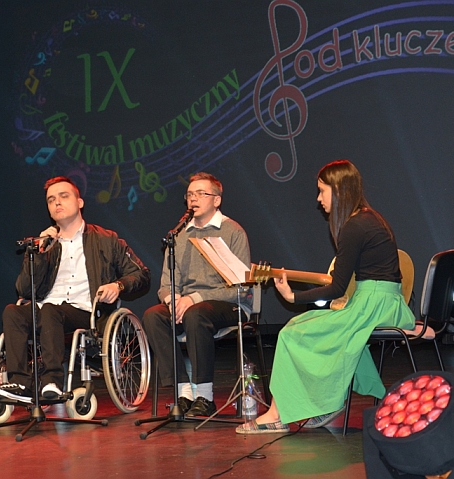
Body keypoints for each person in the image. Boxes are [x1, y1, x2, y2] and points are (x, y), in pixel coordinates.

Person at [236, 159, 415, 434]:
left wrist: (293, 296)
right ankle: (323, 404)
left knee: (291, 333)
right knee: (305, 328)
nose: (319, 199)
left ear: (339, 190)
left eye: (322, 191)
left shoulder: (354, 227)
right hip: (383, 302)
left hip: (373, 306)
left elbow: (336, 288)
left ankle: (277, 413)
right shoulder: (370, 218)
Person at [0, 176, 150, 401]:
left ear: (80, 202)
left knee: (51, 310)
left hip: (86, 312)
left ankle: (51, 380)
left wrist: (118, 285)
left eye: (64, 196)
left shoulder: (106, 239)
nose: (57, 203)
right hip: (47, 309)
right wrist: (39, 254)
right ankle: (20, 383)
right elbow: (23, 289)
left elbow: (141, 274)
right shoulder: (43, 244)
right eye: (51, 200)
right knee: (12, 312)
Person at [142, 172, 251, 417]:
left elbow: (241, 287)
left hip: (228, 304)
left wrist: (194, 299)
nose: (194, 199)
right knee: (153, 316)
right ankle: (184, 392)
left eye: (202, 193)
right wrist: (173, 301)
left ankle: (205, 395)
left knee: (196, 314)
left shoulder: (232, 232)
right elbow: (165, 285)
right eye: (190, 194)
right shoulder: (179, 236)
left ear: (216, 200)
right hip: (188, 306)